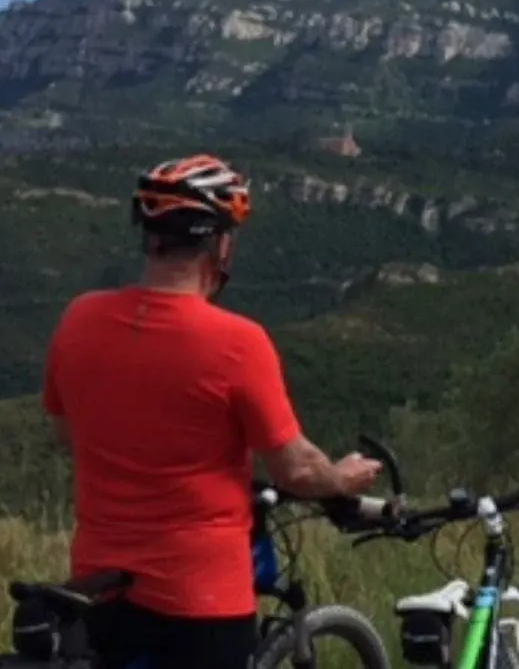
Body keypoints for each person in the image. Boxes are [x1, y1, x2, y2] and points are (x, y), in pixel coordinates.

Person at [39, 152, 383, 669]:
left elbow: (68, 436)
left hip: (97, 586)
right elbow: (295, 467)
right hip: (199, 598)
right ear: (220, 245)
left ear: (150, 239)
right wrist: (340, 477)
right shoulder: (237, 343)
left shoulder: (78, 319)